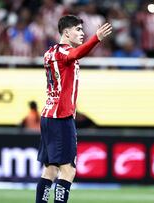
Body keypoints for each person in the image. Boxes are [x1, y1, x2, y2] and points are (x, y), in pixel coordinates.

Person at [35, 15, 112, 203]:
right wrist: (97, 38)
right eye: (78, 29)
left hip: (48, 115)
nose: (82, 33)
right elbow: (75, 55)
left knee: (51, 169)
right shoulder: (64, 53)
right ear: (66, 32)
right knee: (68, 169)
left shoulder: (49, 53)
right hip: (61, 116)